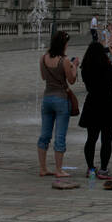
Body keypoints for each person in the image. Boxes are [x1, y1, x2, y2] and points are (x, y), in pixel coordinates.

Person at [79, 33, 112, 180]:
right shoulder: (107, 68)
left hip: (92, 103)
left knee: (91, 138)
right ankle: (104, 169)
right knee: (106, 139)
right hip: (108, 104)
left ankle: (90, 168)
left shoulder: (85, 69)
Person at [38, 30, 79, 178]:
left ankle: (43, 168)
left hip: (47, 98)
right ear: (64, 44)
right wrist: (74, 67)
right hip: (61, 99)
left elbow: (43, 77)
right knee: (60, 135)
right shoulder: (64, 60)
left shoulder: (43, 58)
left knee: (44, 134)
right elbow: (72, 80)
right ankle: (59, 169)